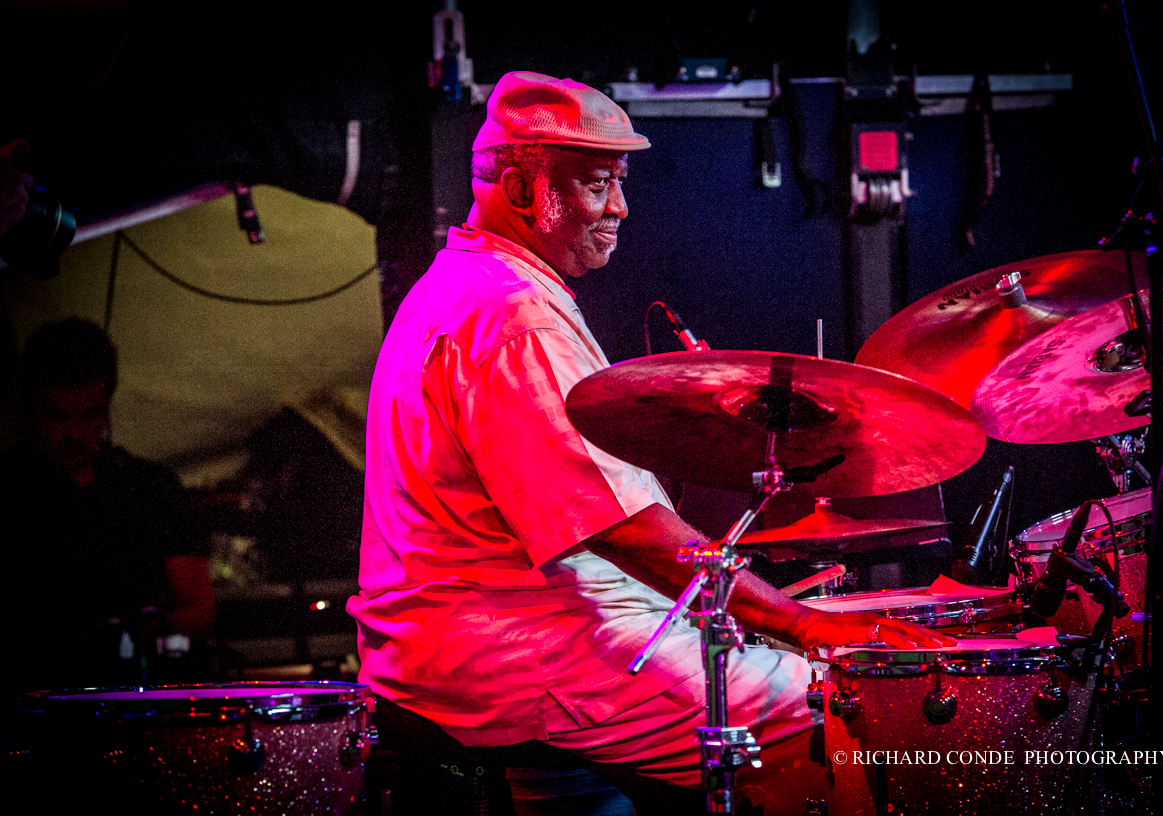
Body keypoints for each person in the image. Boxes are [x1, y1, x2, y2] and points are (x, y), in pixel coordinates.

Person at [347, 72, 952, 813]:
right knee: (851, 711)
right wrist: (807, 626)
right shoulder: (512, 318)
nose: (621, 207)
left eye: (619, 182)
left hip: (463, 646)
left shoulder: (460, 287)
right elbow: (623, 531)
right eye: (599, 184)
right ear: (515, 187)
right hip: (519, 654)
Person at [2, 318, 214, 695]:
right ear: (31, 406)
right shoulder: (7, 488)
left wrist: (142, 634)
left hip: (136, 697)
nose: (74, 433)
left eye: (90, 415)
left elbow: (198, 608)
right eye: (57, 416)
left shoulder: (151, 488)